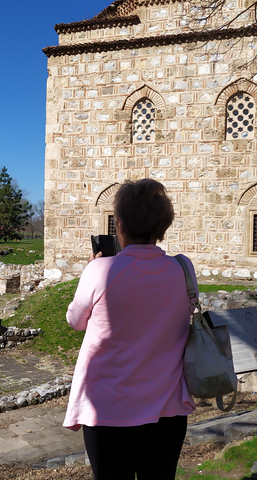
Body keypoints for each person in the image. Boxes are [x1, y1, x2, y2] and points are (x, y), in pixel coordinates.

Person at [62, 178, 196, 480]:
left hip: (109, 409)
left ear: (119, 224)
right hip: (167, 408)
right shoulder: (183, 269)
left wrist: (91, 269)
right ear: (163, 226)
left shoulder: (99, 270)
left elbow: (75, 321)